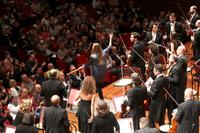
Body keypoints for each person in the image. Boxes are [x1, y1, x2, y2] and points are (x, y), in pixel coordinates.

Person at [83, 33, 113, 100]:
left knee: (97, 87)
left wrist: (83, 66)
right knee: (98, 85)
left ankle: (100, 99)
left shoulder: (92, 56)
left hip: (98, 75)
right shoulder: (103, 52)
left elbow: (86, 66)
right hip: (104, 73)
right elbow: (110, 45)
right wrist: (110, 37)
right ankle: (96, 97)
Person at [166, 54, 184, 122]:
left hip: (175, 92)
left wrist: (166, 78)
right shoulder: (176, 66)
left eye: (170, 58)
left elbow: (176, 80)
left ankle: (173, 122)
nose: (168, 59)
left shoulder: (176, 68)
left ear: (173, 60)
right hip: (175, 90)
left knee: (173, 107)